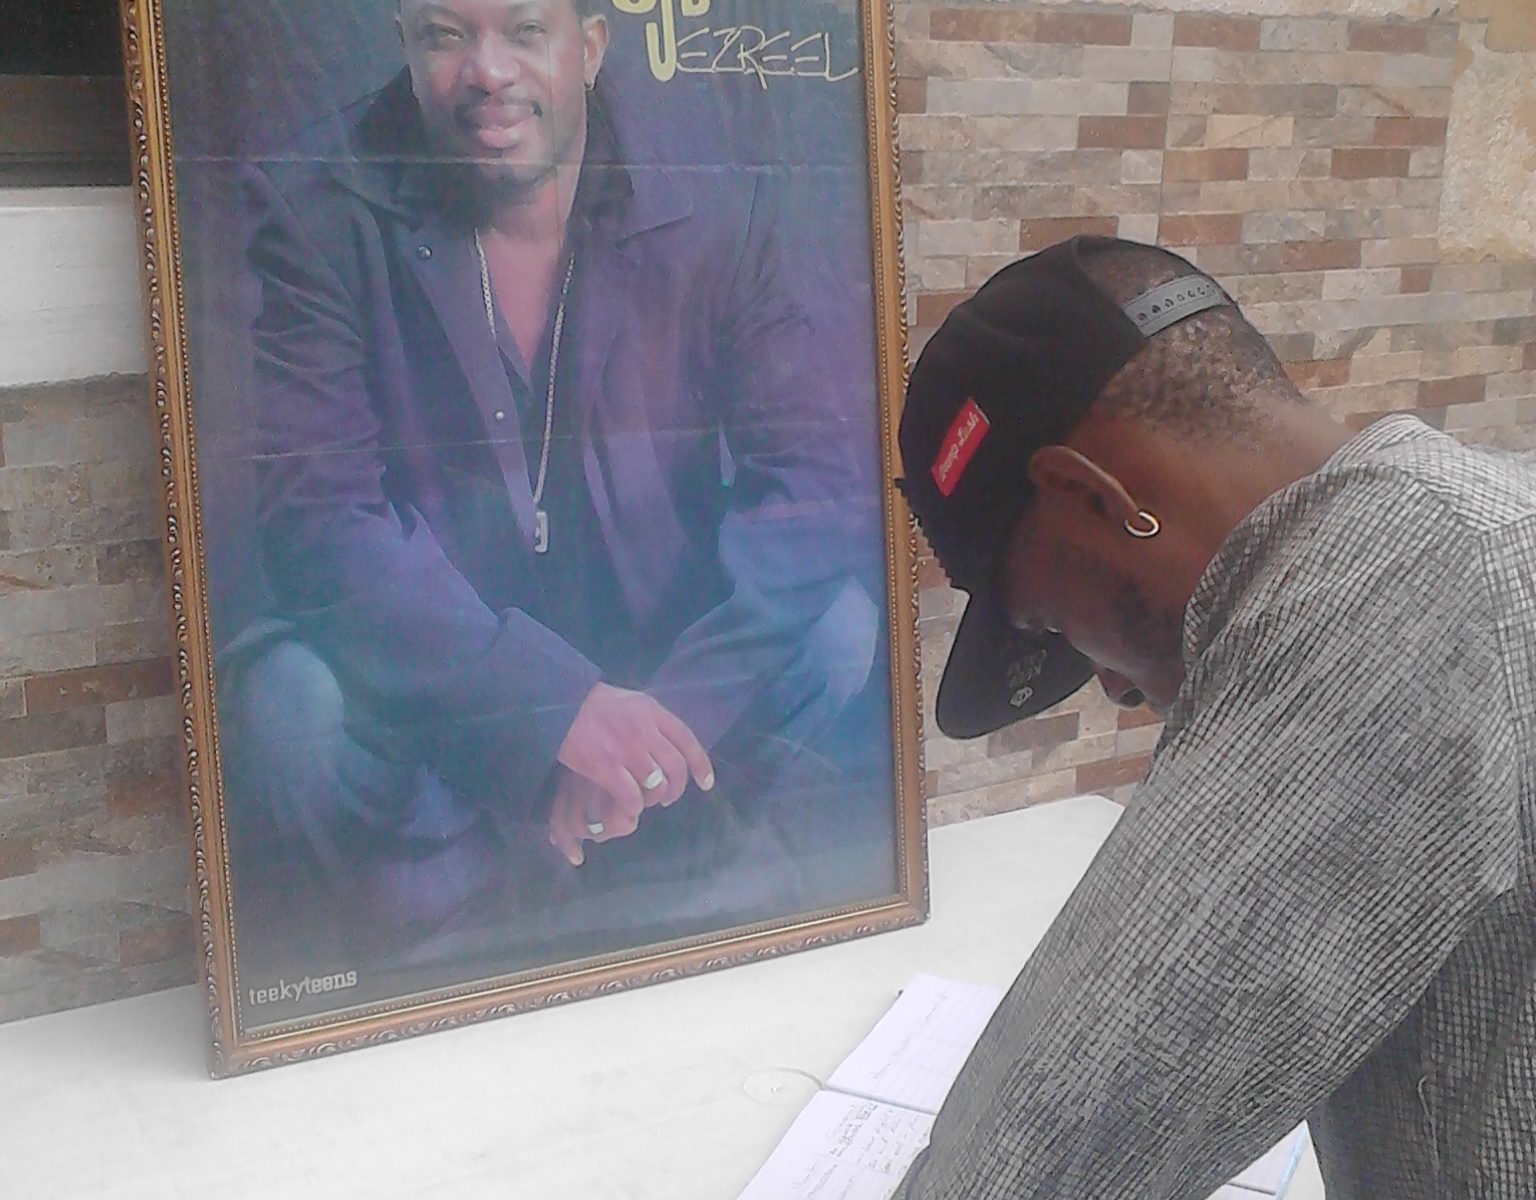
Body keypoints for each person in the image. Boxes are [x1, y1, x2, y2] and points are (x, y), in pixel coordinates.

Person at [220, 0, 884, 978]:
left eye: (525, 30)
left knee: (839, 629)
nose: (487, 71)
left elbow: (813, 484)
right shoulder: (318, 200)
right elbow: (319, 519)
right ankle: (468, 905)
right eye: (445, 35)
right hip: (435, 684)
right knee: (288, 708)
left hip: (650, 658)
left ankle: (632, 835)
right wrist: (552, 712)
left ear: (590, 47)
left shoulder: (712, 195)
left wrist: (657, 729)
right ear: (405, 45)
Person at [893, 235, 1535, 1198]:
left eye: (1055, 624)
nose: (1114, 689)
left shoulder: (1393, 599)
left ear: (1090, 493)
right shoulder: (1500, 513)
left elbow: (1031, 1162)